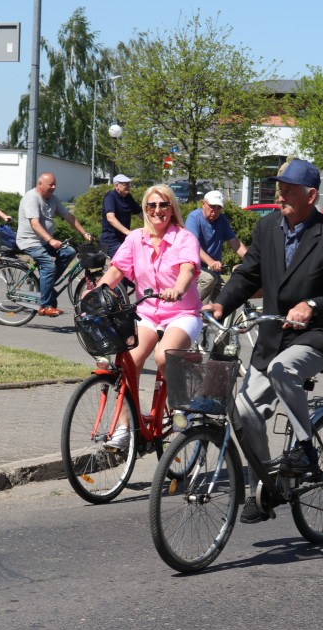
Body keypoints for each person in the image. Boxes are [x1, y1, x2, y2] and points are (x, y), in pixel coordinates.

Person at [201, 159, 323, 524]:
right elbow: (248, 272)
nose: (279, 194)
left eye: (288, 189)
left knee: (283, 370)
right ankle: (265, 486)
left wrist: (311, 305)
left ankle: (305, 447)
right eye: (278, 187)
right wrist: (222, 303)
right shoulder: (267, 227)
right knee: (241, 409)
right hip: (273, 335)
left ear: (311, 195)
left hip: (319, 334)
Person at [92, 184, 203, 448]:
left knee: (164, 356)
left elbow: (187, 270)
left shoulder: (184, 238)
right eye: (151, 206)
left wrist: (178, 288)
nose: (157, 210)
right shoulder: (135, 239)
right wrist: (93, 296)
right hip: (147, 314)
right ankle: (125, 427)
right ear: (144, 210)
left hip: (182, 312)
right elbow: (115, 273)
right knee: (128, 360)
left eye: (163, 204)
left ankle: (180, 406)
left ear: (172, 208)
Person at [17, 172, 93, 316]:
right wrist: (50, 240)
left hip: (43, 241)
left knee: (69, 252)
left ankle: (46, 285)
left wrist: (84, 233)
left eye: (55, 184)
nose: (54, 187)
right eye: (50, 184)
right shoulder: (31, 198)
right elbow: (35, 224)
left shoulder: (53, 199)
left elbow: (68, 216)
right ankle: (45, 305)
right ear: (40, 184)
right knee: (48, 265)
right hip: (29, 241)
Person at [184, 190, 247, 303]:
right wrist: (211, 262)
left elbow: (234, 242)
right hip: (195, 270)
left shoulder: (222, 219)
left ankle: (214, 319)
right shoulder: (194, 218)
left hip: (214, 274)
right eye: (212, 206)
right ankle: (188, 308)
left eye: (219, 207)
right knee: (209, 279)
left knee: (231, 300)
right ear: (203, 203)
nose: (216, 210)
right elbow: (194, 246)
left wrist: (250, 259)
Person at [100, 173, 142, 258]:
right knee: (127, 261)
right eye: (125, 184)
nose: (128, 186)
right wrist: (128, 232)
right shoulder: (110, 196)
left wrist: (154, 226)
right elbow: (110, 218)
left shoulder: (128, 197)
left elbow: (140, 213)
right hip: (111, 241)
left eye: (128, 184)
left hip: (124, 240)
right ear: (116, 185)